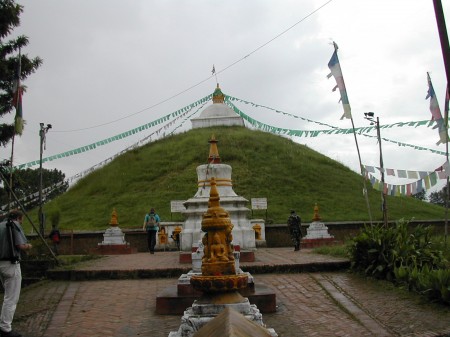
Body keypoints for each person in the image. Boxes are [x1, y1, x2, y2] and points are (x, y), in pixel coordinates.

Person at [0, 210, 32, 337]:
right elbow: (20, 245)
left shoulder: (0, 225)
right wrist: (29, 246)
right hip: (11, 264)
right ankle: (5, 328)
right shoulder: (14, 225)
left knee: (7, 296)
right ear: (19, 218)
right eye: (22, 219)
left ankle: (3, 324)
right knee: (11, 298)